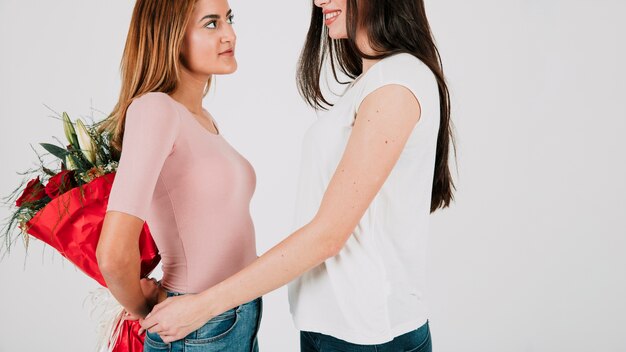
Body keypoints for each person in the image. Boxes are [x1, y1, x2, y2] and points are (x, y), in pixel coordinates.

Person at [141, 0, 454, 351]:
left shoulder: (397, 82)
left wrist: (203, 306)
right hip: (334, 330)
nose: (320, 1)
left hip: (371, 336)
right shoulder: (371, 81)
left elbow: (328, 235)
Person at [95, 0, 262, 351]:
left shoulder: (201, 119)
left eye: (229, 20)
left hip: (235, 315)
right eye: (211, 24)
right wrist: (147, 313)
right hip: (197, 327)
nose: (229, 34)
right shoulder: (155, 109)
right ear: (170, 36)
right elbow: (112, 254)